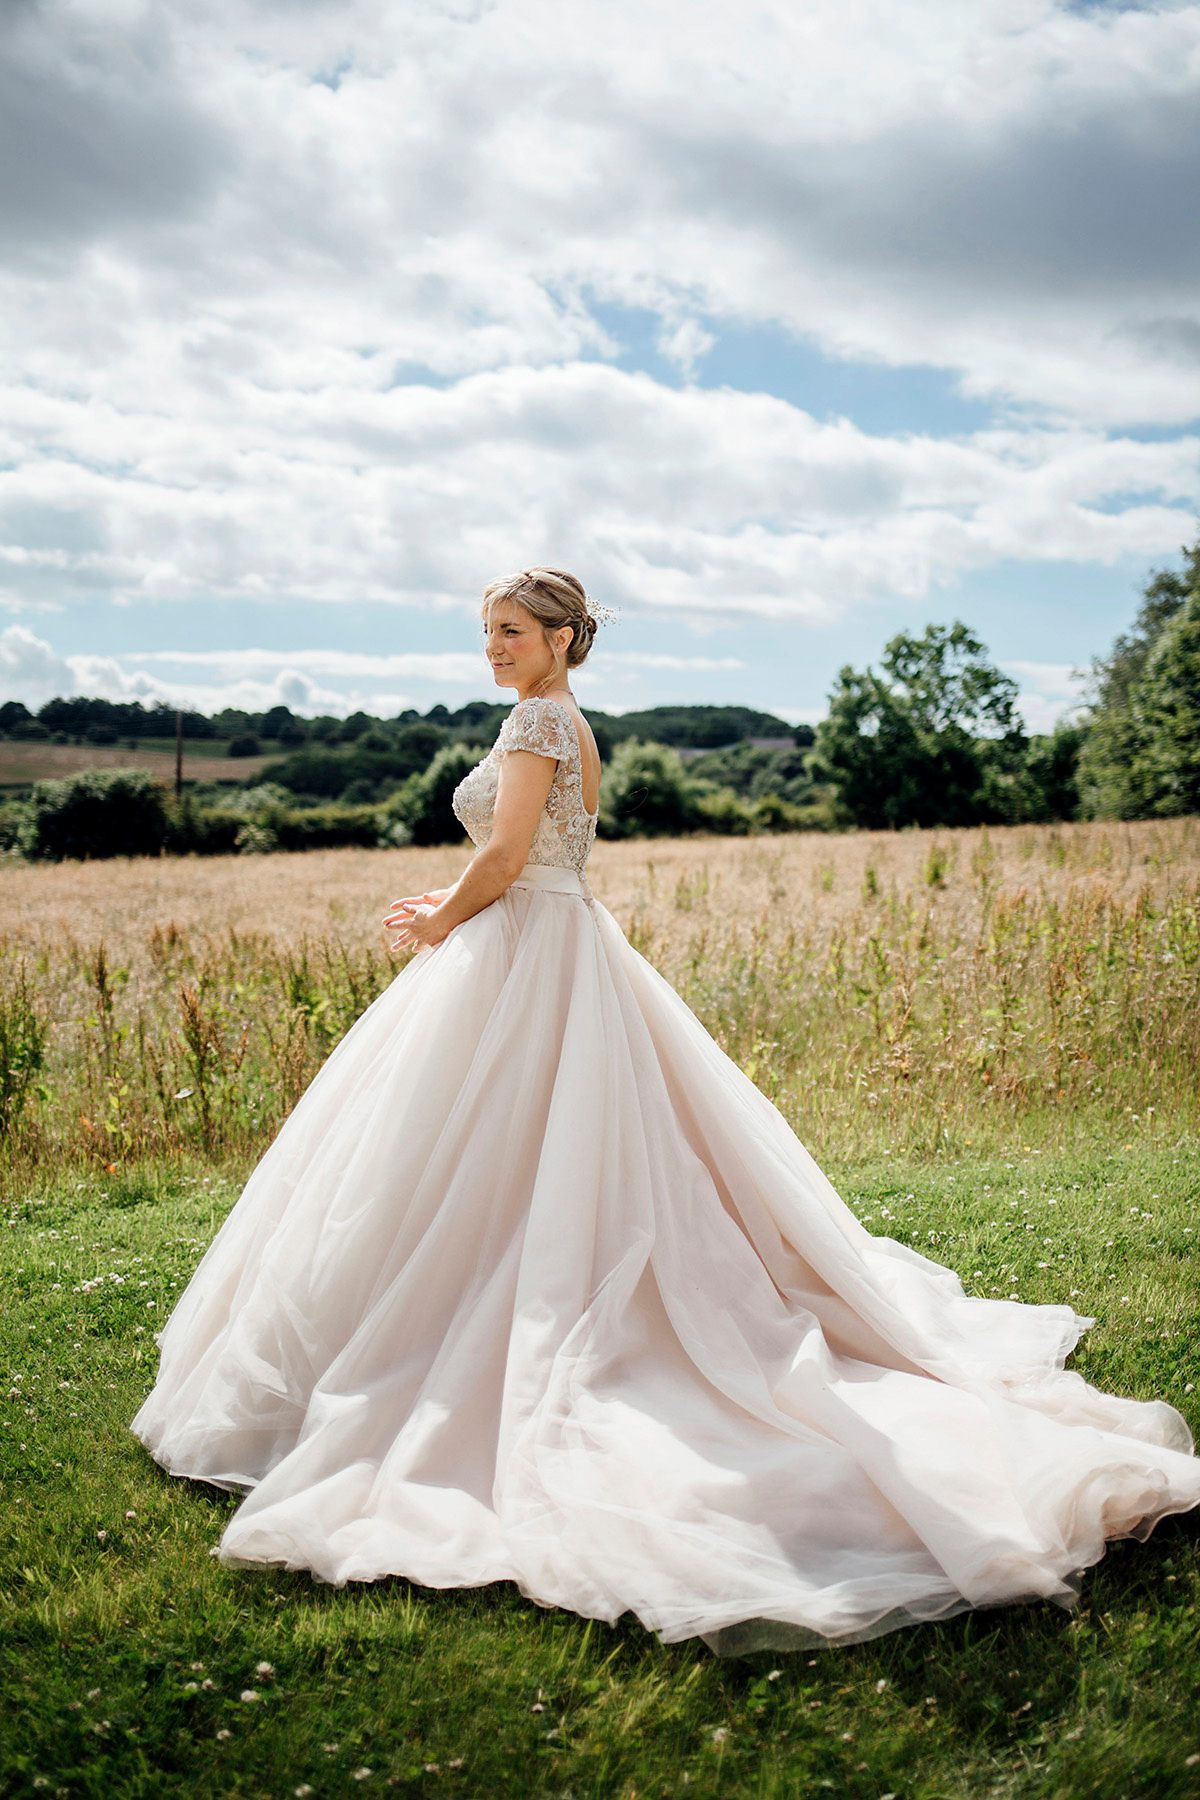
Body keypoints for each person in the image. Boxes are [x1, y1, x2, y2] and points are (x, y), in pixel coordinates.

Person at [133, 566, 1200, 1654]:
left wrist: (439, 918)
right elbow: (524, 853)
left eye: (509, 630)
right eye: (486, 632)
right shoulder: (566, 718)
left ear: (559, 640)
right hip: (549, 946)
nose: (492, 646)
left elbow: (505, 856)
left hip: (522, 949)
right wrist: (459, 908)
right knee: (518, 1151)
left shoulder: (541, 717)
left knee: (498, 1152)